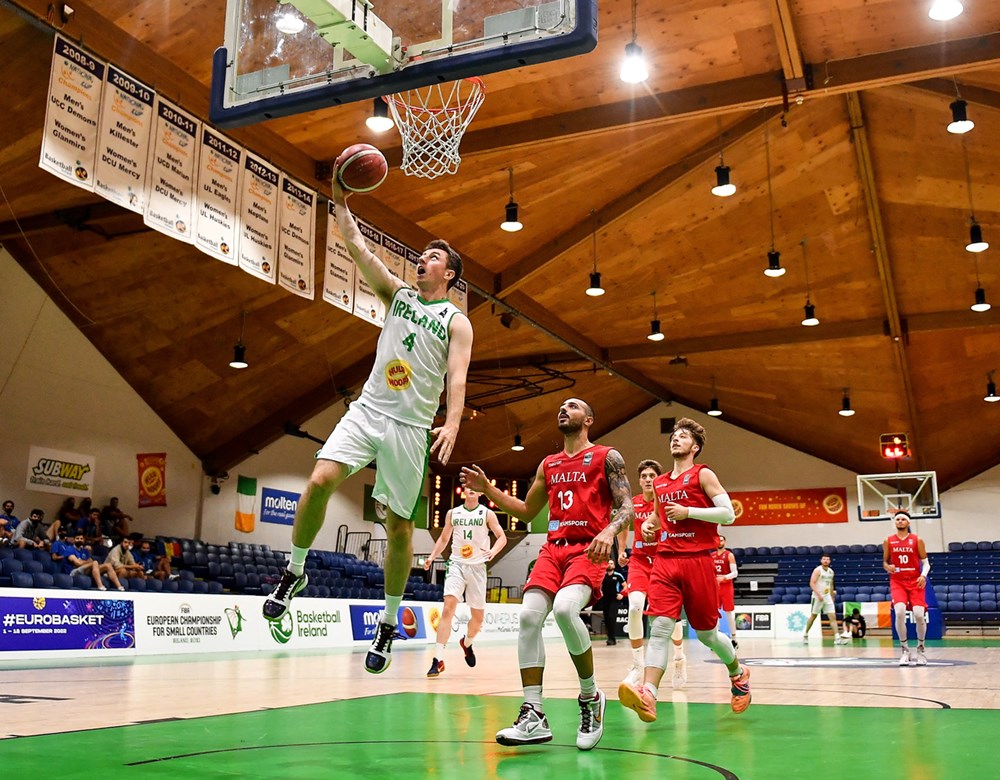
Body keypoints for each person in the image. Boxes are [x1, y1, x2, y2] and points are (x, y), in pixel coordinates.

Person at [263, 166, 473, 679]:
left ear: (449, 274)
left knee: (398, 527)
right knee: (318, 481)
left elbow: (458, 377)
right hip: (368, 411)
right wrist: (340, 199)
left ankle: (386, 620)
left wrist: (452, 422)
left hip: (410, 428)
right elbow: (357, 248)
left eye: (432, 258)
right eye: (421, 256)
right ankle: (294, 574)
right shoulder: (398, 296)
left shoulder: (456, 321)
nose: (421, 260)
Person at [460, 397, 634, 751]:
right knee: (527, 617)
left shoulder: (606, 456)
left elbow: (627, 507)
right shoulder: (548, 464)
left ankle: (590, 697)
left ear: (588, 419)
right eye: (562, 406)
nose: (563, 408)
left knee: (566, 609)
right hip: (553, 549)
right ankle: (534, 713)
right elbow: (526, 511)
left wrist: (608, 531)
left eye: (573, 406)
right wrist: (489, 490)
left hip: (590, 548)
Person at [619, 417, 751, 723]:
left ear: (695, 446)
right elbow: (655, 518)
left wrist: (689, 511)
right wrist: (651, 527)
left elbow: (728, 514)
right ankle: (648, 693)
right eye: (673, 436)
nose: (675, 440)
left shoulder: (702, 474)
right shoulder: (661, 482)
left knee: (707, 635)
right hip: (665, 562)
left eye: (682, 437)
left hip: (698, 561)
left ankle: (738, 672)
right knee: (661, 629)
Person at [617, 459, 688, 689]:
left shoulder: (666, 503)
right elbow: (622, 526)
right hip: (639, 560)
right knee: (635, 606)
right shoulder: (633, 504)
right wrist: (620, 550)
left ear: (658, 479)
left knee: (670, 617)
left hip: (663, 562)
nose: (648, 479)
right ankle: (638, 665)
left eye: (652, 476)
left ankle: (678, 657)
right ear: (639, 480)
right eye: (644, 476)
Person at [422, 486, 507, 677]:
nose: (471, 490)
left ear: (480, 493)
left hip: (477, 568)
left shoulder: (488, 514)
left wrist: (493, 551)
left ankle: (467, 643)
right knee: (448, 608)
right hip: (457, 564)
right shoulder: (453, 513)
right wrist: (432, 556)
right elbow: (444, 539)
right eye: (468, 487)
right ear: (462, 491)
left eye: (475, 488)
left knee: (477, 619)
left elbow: (502, 537)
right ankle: (438, 659)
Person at [883, 510, 930, 666]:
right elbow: (885, 562)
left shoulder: (917, 540)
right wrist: (887, 567)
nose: (900, 521)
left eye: (903, 519)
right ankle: (905, 650)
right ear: (895, 522)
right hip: (897, 581)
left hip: (915, 581)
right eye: (898, 519)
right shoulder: (888, 540)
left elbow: (926, 563)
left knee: (918, 615)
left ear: (908, 522)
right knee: (900, 612)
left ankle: (921, 649)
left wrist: (923, 575)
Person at [802, 555, 850, 644]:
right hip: (817, 596)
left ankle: (837, 638)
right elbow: (812, 583)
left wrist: (832, 596)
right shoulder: (817, 570)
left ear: (830, 561)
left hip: (827, 596)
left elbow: (831, 585)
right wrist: (818, 594)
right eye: (824, 559)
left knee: (832, 617)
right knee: (813, 616)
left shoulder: (831, 572)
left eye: (827, 559)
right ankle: (805, 634)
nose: (825, 561)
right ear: (821, 560)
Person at [51, 532, 124, 591]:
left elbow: (89, 561)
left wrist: (85, 561)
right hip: (73, 572)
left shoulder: (84, 550)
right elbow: (77, 563)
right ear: (73, 540)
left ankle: (119, 587)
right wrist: (86, 562)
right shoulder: (69, 549)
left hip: (85, 569)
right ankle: (100, 586)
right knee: (95, 563)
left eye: (81, 538)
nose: (79, 540)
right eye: (77, 538)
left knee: (108, 565)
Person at [712, 534, 739, 649]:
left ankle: (734, 639)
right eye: (718, 540)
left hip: (726, 586)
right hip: (715, 586)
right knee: (714, 613)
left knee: (729, 613)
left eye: (721, 540)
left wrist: (724, 577)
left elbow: (735, 573)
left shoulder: (729, 555)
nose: (719, 542)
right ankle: (715, 639)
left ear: (725, 542)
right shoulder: (711, 556)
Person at [600, 561, 626, 645]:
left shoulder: (618, 575)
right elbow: (599, 585)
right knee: (606, 618)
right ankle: (609, 637)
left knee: (612, 617)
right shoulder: (602, 575)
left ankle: (612, 638)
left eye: (611, 563)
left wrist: (622, 594)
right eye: (608, 563)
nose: (609, 565)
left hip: (614, 599)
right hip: (605, 599)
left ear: (614, 566)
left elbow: (625, 585)